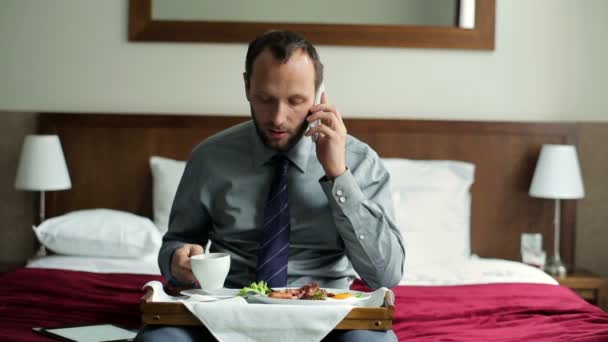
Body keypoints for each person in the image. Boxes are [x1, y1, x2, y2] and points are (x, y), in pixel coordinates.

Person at [136, 30, 404, 342]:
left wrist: (338, 174)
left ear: (319, 95)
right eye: (265, 99)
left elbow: (385, 275)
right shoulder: (209, 158)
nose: (278, 117)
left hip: (327, 318)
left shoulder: (359, 162)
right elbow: (176, 244)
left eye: (296, 101)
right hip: (224, 312)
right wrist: (177, 261)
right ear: (247, 86)